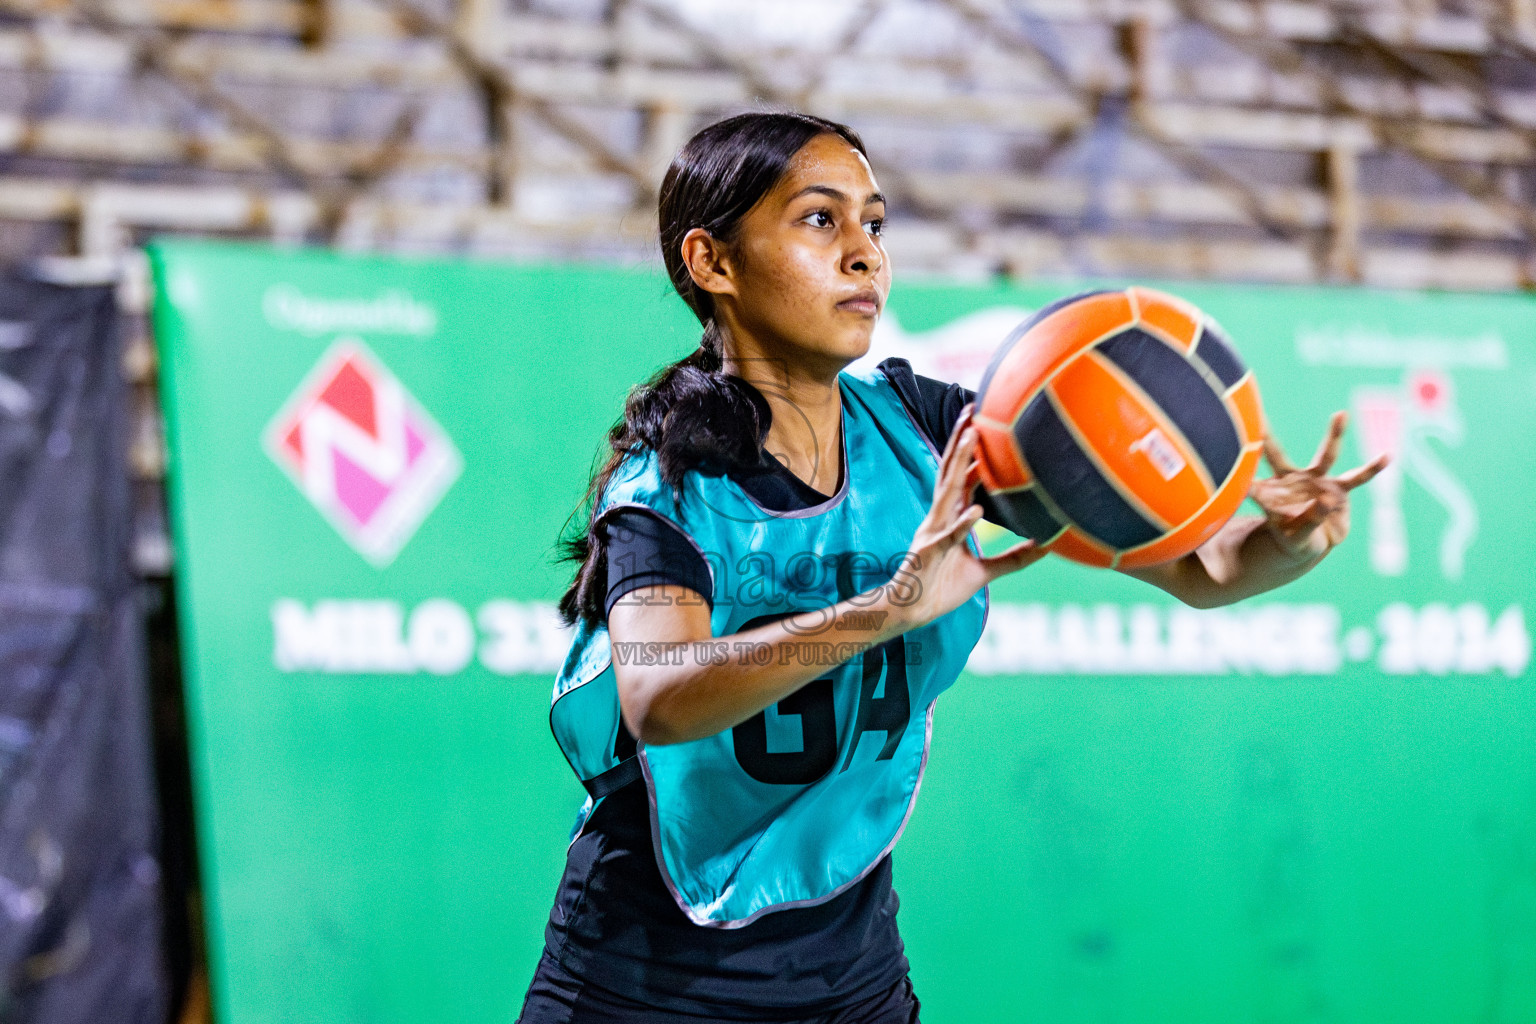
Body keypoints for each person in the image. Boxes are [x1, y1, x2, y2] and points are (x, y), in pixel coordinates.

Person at [517, 111, 1387, 1024]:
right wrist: (882, 611)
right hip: (643, 976)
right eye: (821, 219)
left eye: (875, 223)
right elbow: (659, 695)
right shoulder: (665, 484)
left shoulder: (928, 430)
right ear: (713, 262)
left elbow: (1203, 572)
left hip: (848, 973)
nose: (864, 254)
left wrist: (1288, 542)